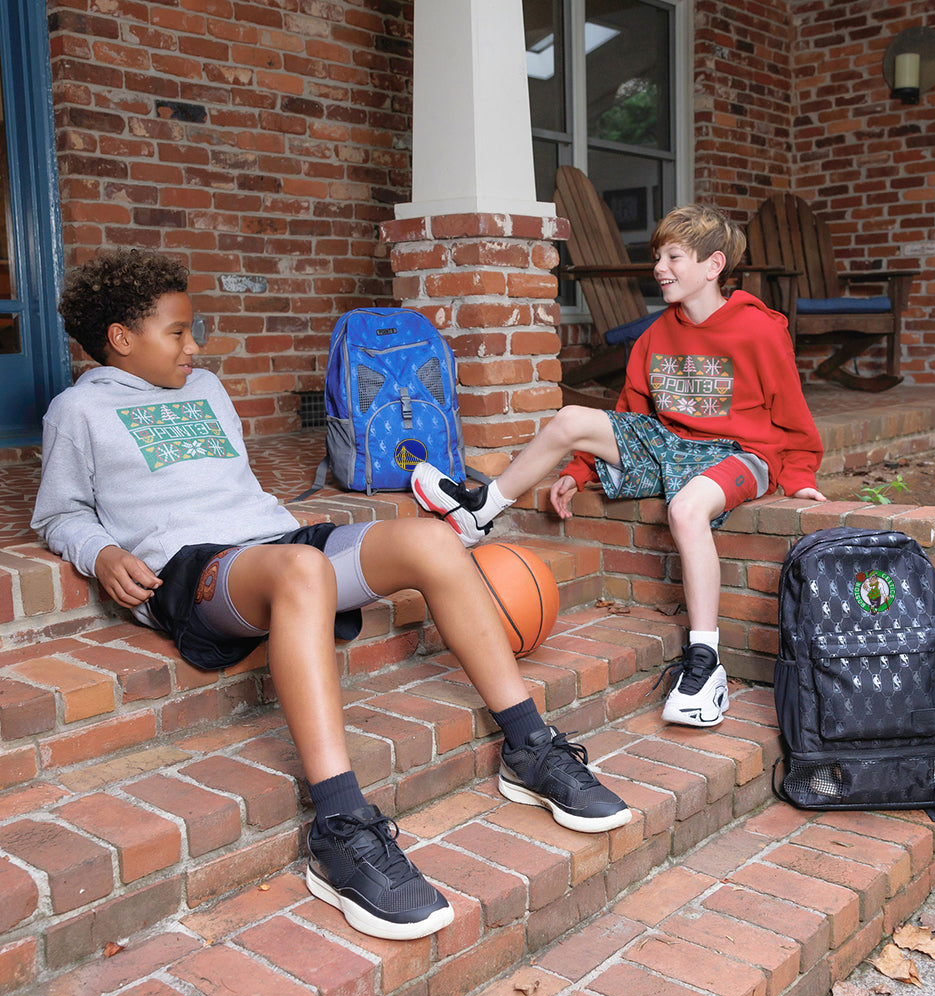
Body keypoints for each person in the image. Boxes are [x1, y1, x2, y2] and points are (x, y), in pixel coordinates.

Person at [31, 249, 631, 943]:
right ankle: (340, 825)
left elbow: (233, 491)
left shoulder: (207, 389)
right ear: (120, 338)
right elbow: (58, 513)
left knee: (433, 541)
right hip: (192, 567)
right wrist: (100, 552)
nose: (196, 345)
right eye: (179, 332)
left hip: (273, 545)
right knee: (302, 572)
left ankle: (531, 746)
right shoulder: (78, 410)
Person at [412, 204, 826, 729]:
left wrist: (800, 479)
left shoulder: (759, 331)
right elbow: (630, 411)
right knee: (569, 417)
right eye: (657, 256)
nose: (660, 267)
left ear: (713, 264)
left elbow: (793, 415)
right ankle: (480, 510)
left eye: (674, 256)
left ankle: (705, 660)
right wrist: (579, 470)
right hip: (669, 441)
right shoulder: (656, 334)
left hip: (739, 452)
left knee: (686, 508)